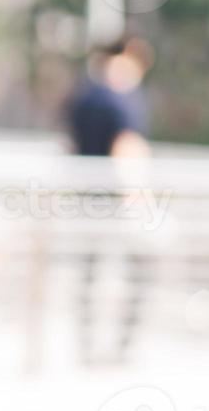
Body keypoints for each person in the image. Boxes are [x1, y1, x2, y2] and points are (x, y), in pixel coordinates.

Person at [63, 37, 157, 364]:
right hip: (119, 203)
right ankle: (121, 349)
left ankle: (87, 346)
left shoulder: (81, 97)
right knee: (136, 276)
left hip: (85, 199)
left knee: (89, 276)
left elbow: (70, 147)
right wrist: (140, 199)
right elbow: (127, 149)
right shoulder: (123, 101)